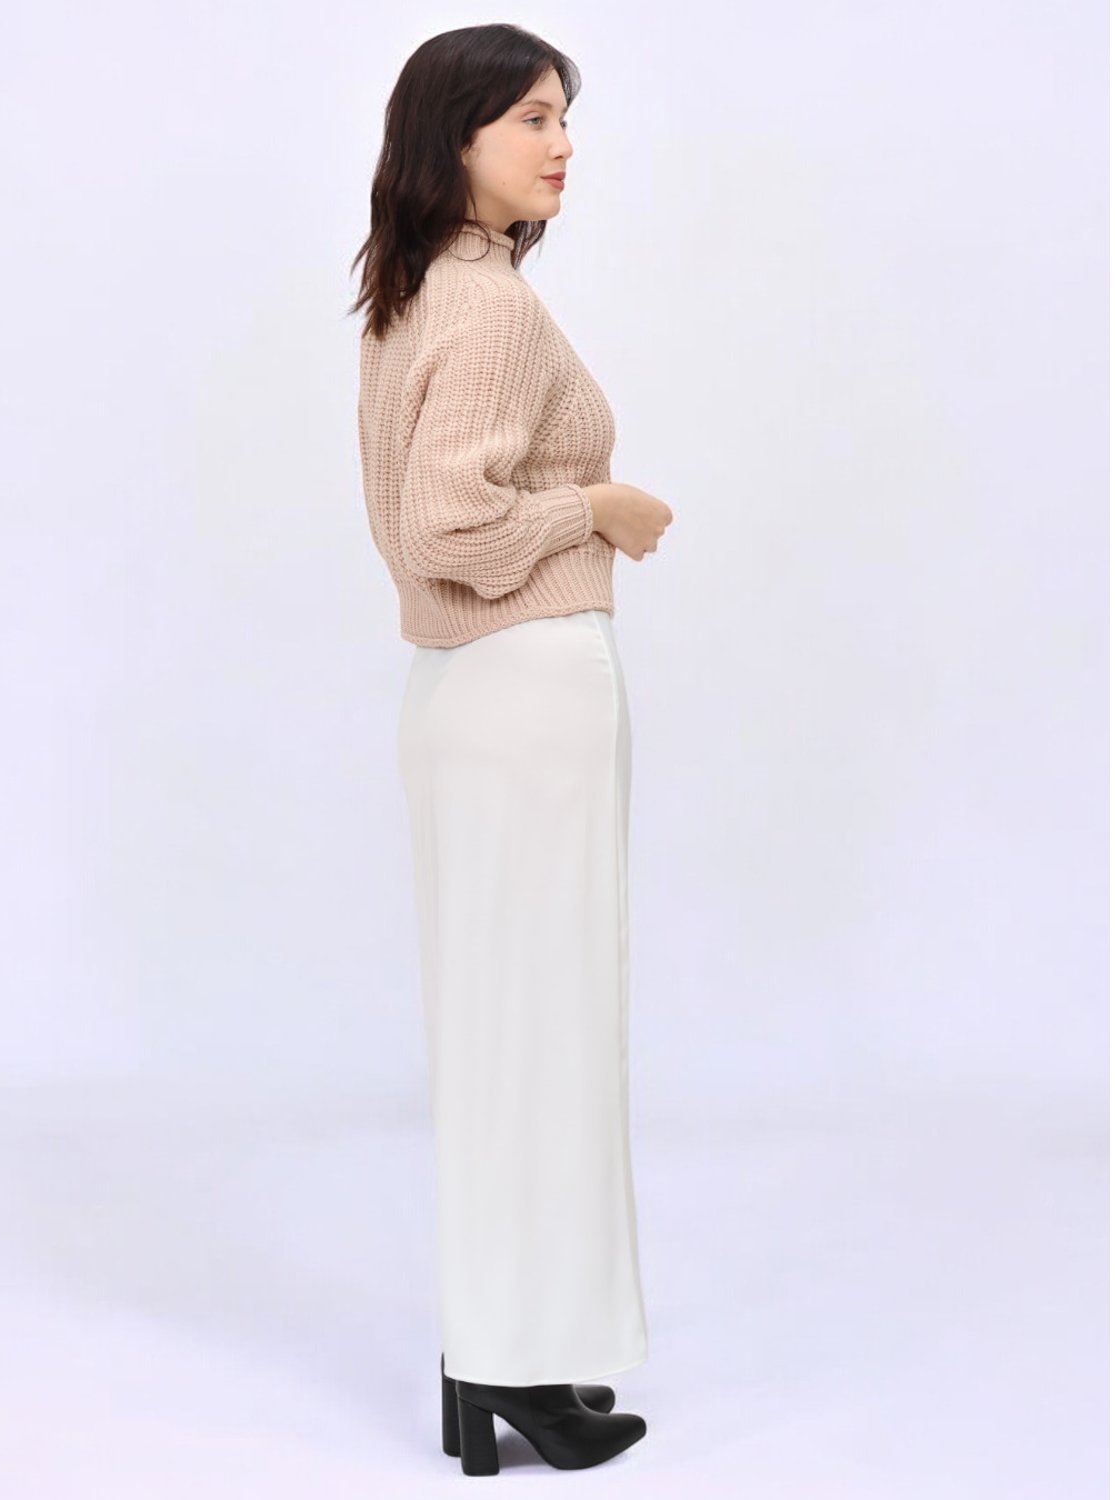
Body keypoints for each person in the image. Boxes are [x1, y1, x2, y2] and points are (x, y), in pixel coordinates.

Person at [350, 23, 673, 1475]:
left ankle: (500, 1353)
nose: (562, 144)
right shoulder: (483, 309)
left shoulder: (417, 289)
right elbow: (448, 528)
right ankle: (508, 1359)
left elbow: (421, 529)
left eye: (564, 117)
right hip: (526, 686)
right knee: (542, 1032)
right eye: (532, 117)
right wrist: (597, 510)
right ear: (456, 136)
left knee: (504, 1035)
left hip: (464, 697)